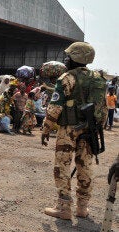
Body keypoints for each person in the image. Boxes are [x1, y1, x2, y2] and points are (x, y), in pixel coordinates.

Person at [41, 42, 107, 220]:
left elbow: (55, 106)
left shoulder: (66, 78)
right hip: (90, 129)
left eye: (68, 56)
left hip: (68, 130)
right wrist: (96, 127)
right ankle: (82, 208)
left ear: (75, 58)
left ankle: (63, 207)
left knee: (62, 165)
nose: (66, 59)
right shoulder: (99, 79)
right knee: (85, 167)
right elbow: (104, 109)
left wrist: (46, 128)